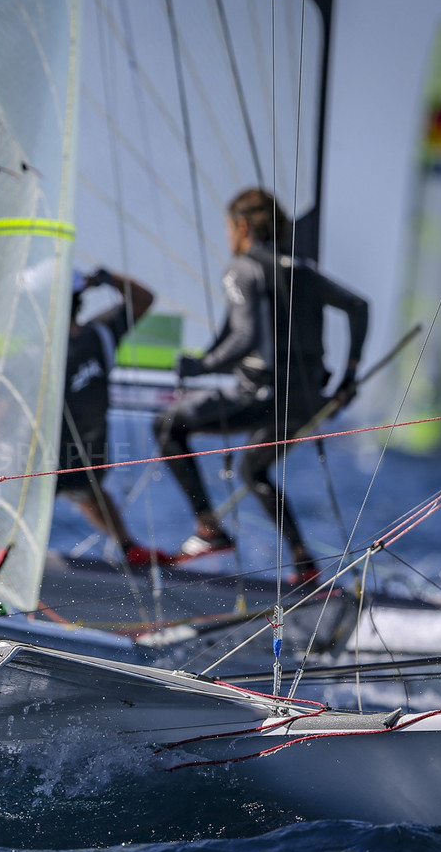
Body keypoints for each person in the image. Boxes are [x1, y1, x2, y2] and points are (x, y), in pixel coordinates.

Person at [154, 188, 368, 586]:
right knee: (253, 470)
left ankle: (208, 530)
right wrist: (349, 378)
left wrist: (200, 366)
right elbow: (359, 307)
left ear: (241, 226)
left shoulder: (240, 269)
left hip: (264, 400)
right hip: (306, 403)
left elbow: (245, 338)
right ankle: (304, 564)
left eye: (227, 228)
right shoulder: (301, 268)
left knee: (167, 426)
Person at [56, 266, 162, 567]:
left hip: (54, 461)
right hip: (88, 456)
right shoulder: (100, 332)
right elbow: (143, 298)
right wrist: (103, 281)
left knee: (83, 491)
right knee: (89, 492)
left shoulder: (44, 347)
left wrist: (106, 278)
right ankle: (129, 547)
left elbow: (144, 299)